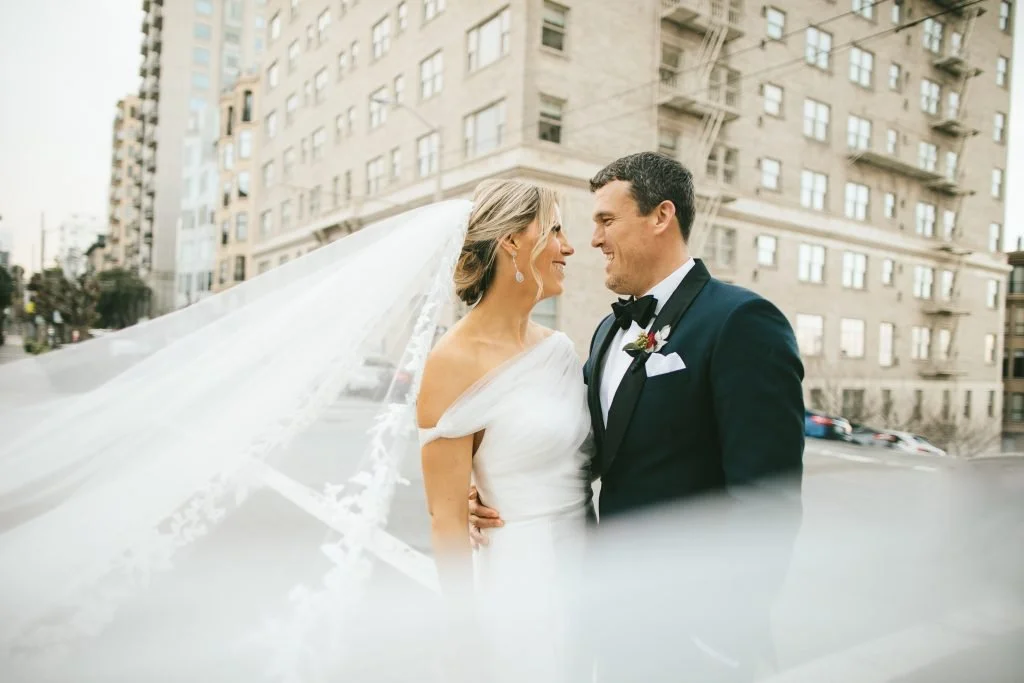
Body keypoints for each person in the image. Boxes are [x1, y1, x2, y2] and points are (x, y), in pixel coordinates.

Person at [469, 152, 806, 681]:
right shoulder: (607, 334)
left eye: (606, 220)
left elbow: (767, 501)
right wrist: (493, 486)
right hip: (614, 614)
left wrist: (726, 635)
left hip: (699, 631)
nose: (595, 239)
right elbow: (580, 447)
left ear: (660, 216)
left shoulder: (741, 322)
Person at [416, 178, 591, 681]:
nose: (569, 246)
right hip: (521, 579)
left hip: (589, 567)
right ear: (512, 240)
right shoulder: (452, 361)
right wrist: (463, 629)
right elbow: (445, 519)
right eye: (555, 229)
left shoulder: (558, 349)